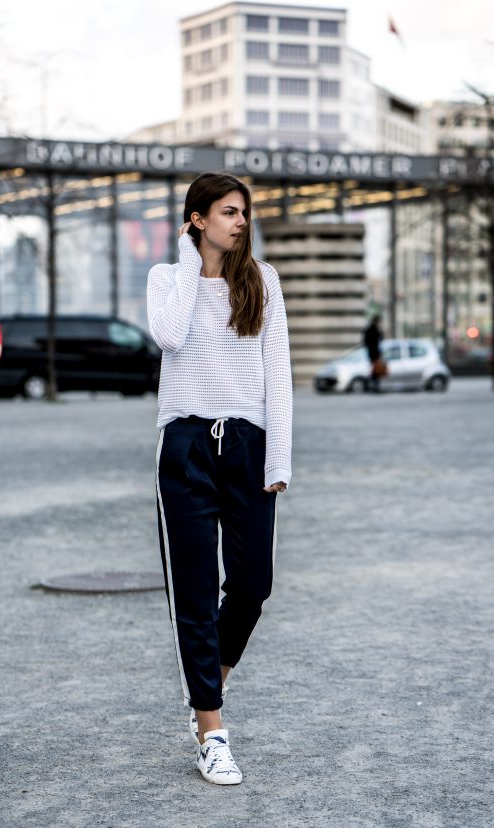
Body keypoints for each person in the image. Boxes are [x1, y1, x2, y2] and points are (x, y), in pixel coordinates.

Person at [146, 172, 292, 785]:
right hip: (185, 445)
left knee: (253, 584)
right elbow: (170, 335)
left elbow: (277, 375)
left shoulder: (262, 282)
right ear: (198, 219)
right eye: (228, 212)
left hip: (247, 446)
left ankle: (208, 686)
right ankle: (212, 727)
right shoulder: (165, 279)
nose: (240, 222)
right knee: (197, 591)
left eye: (244, 213)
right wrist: (188, 260)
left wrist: (277, 460)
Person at [363, 314, 384, 392]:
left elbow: (365, 342)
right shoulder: (375, 329)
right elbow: (381, 338)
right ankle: (374, 386)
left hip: (372, 353)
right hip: (374, 353)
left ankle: (373, 385)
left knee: (374, 370)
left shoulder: (368, 329)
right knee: (375, 370)